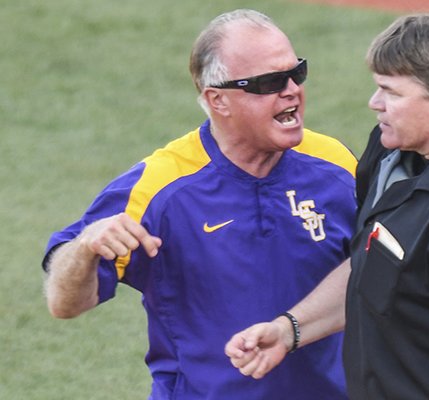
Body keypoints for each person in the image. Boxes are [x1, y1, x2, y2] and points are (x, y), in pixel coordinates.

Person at [42, 9, 356, 399]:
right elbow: (64, 303)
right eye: (270, 81)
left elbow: (378, 271)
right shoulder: (161, 187)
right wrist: (85, 246)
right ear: (218, 100)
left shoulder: (338, 165)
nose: (291, 89)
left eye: (297, 73)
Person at [225, 13, 429, 400]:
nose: (375, 104)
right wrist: (289, 329)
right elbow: (373, 261)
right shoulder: (394, 148)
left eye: (391, 91)